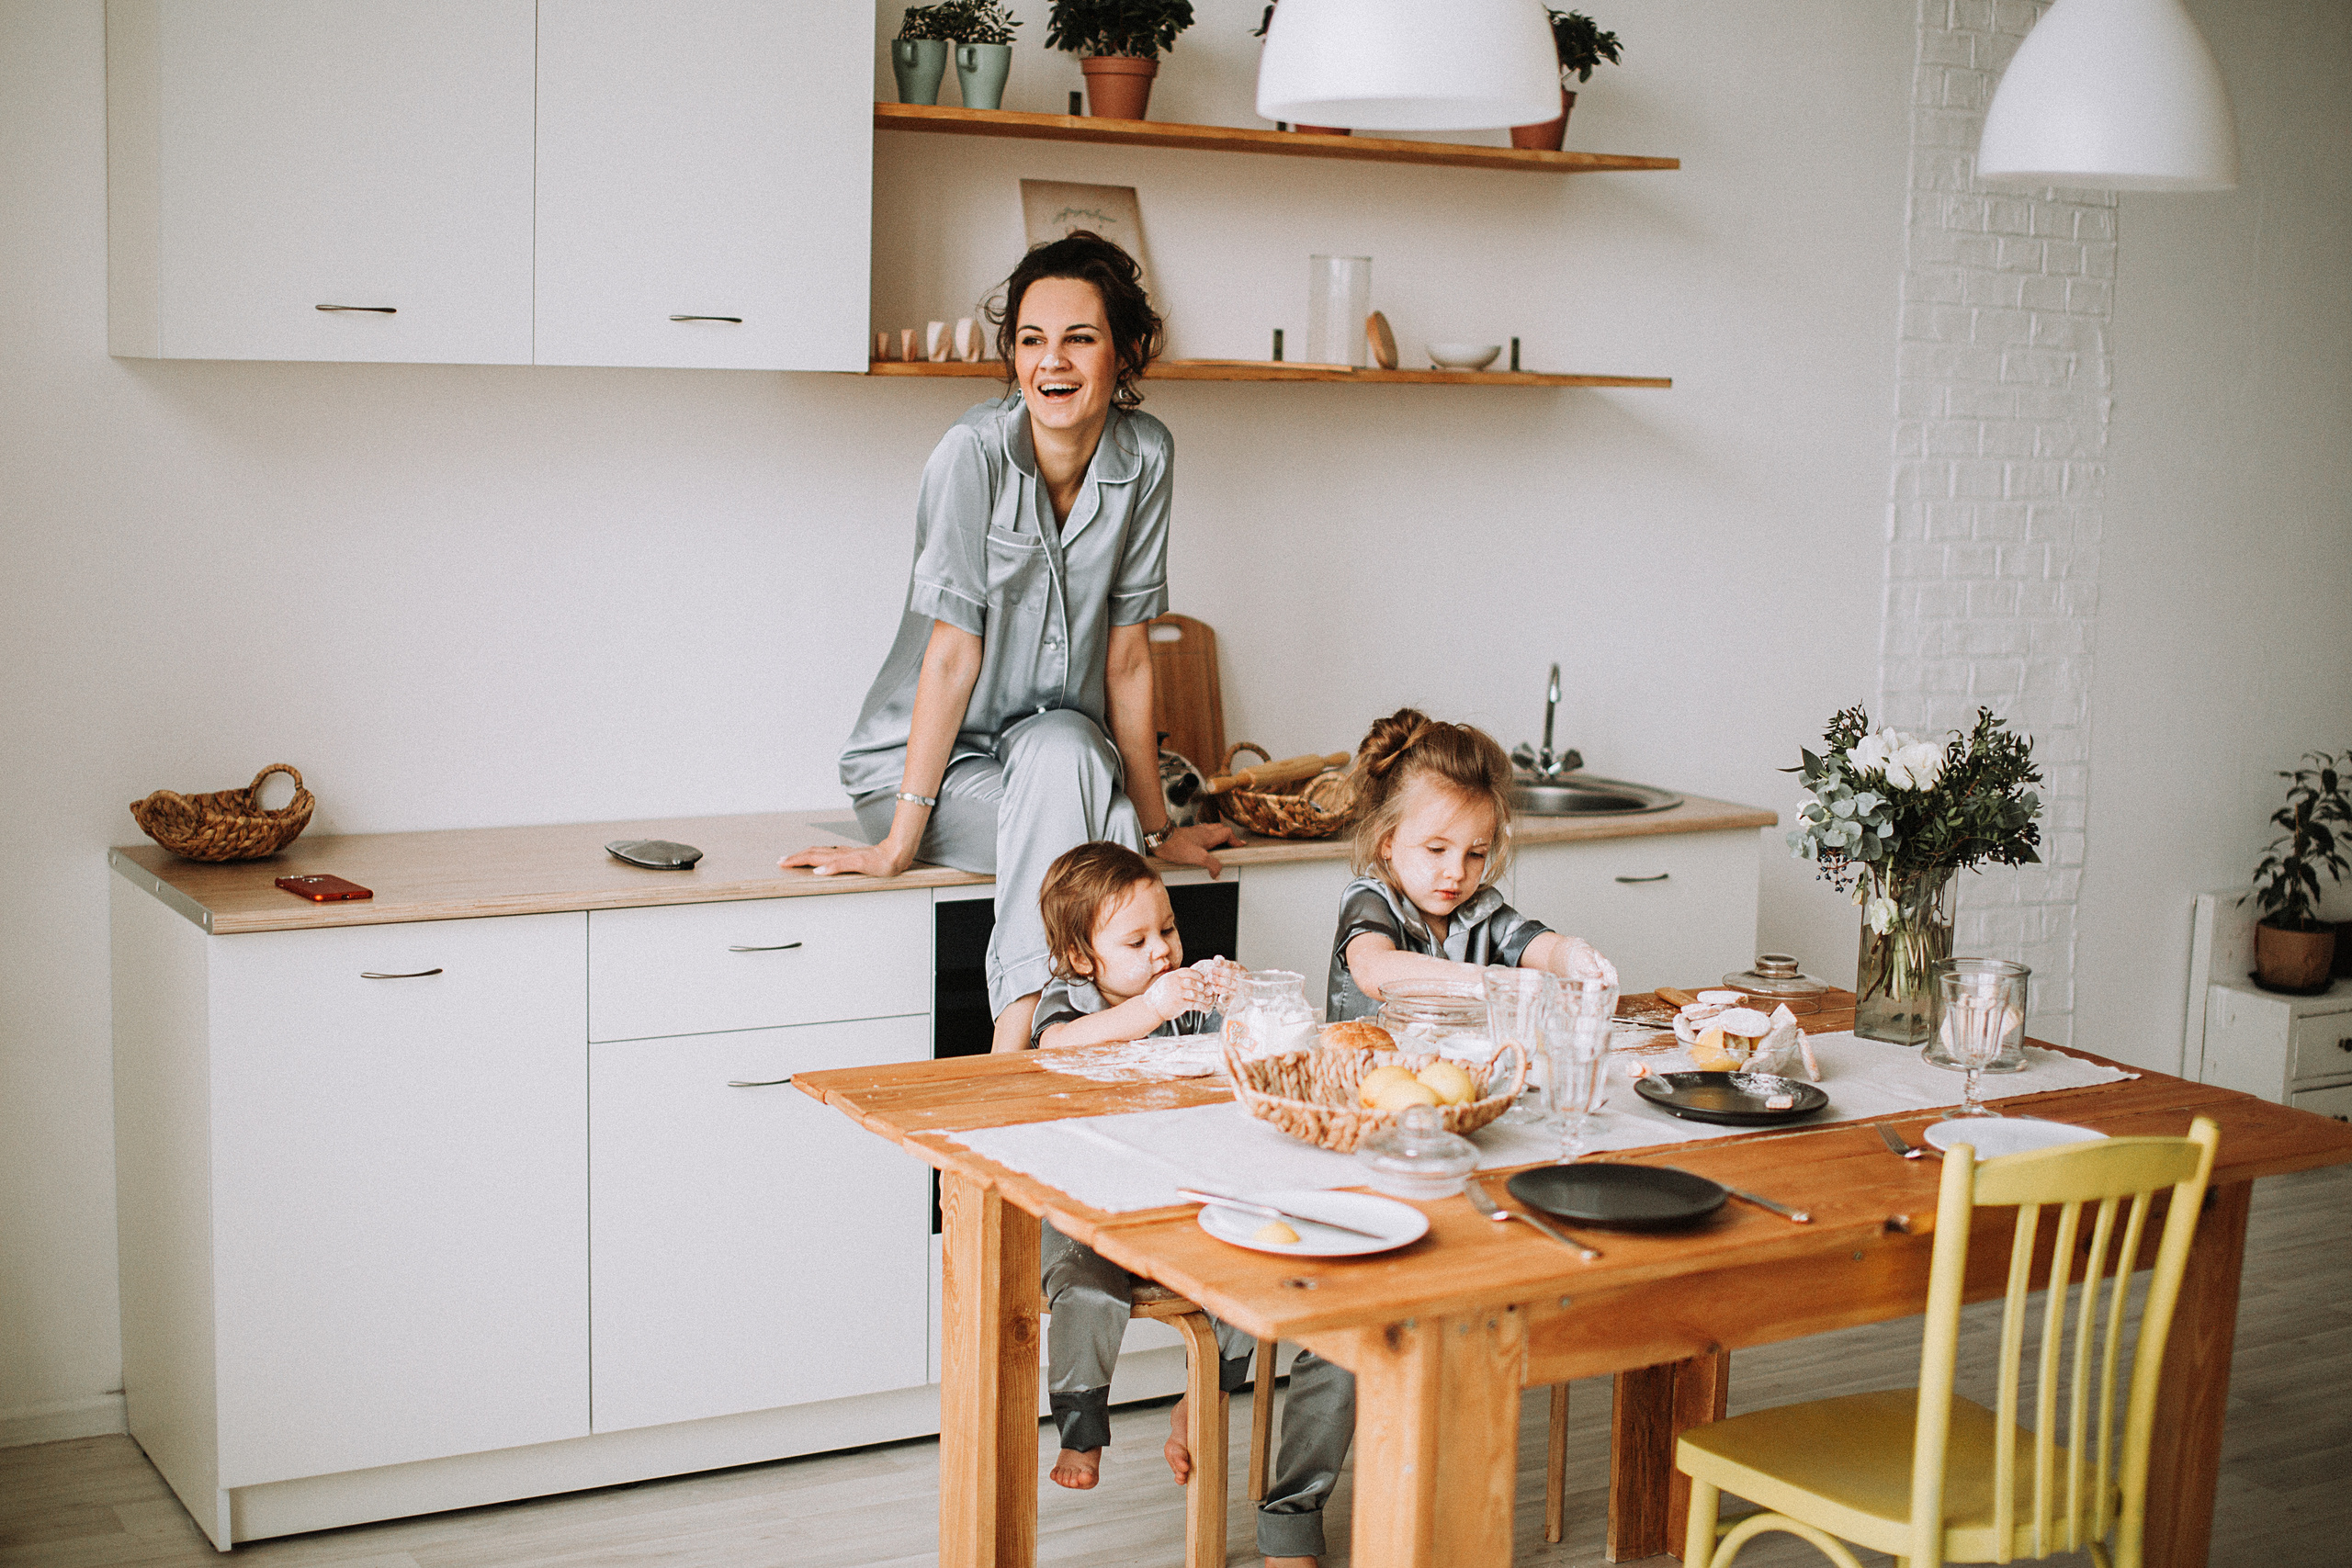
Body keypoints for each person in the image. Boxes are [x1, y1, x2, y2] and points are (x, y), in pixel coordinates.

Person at [781, 233, 1236, 1052]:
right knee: (1091, 822)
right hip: (933, 769)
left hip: (1056, 756)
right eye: (1031, 340)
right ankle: (1030, 1041)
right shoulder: (972, 455)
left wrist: (1160, 827)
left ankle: (1066, 1041)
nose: (1050, 363)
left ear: (1124, 352)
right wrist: (897, 843)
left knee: (1068, 754)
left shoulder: (1148, 456)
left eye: (1079, 338)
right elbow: (953, 655)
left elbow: (1128, 657)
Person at [1251, 707, 1621, 1568]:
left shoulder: (1484, 910)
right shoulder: (1371, 903)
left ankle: (1442, 1496)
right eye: (1436, 850)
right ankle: (1289, 1519)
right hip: (1354, 1156)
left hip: (1455, 1151)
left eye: (1477, 853)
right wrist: (1492, 981)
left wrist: (1576, 959)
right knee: (1337, 1346)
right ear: (1387, 843)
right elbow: (1376, 970)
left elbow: (1543, 944)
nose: (1456, 874)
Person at [1027, 841, 1251, 1491]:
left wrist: (1238, 997)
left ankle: (1201, 1399)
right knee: (1091, 1295)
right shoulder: (1066, 1004)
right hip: (1084, 1211)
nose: (1163, 950)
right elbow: (1056, 1047)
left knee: (1257, 1275)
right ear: (1080, 956)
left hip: (1170, 1201)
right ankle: (1082, 1428)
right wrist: (1152, 1007)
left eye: (1169, 929)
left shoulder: (1177, 1001)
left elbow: (1238, 1057)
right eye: (1138, 941)